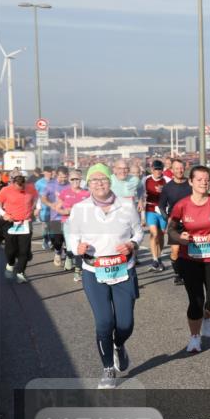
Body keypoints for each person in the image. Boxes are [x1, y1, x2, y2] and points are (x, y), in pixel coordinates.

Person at [65, 163, 143, 388]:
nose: (99, 183)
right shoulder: (80, 208)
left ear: (111, 181)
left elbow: (138, 232)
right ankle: (108, 368)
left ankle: (119, 345)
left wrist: (132, 243)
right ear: (88, 184)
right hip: (93, 270)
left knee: (125, 324)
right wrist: (76, 247)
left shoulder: (127, 207)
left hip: (123, 270)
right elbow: (72, 234)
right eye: (94, 180)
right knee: (103, 322)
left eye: (103, 179)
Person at [167, 166, 210, 353]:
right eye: (199, 179)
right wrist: (180, 239)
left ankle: (207, 316)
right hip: (189, 258)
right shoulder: (182, 205)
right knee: (195, 301)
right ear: (191, 182)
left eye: (206, 179)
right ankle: (195, 337)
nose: (204, 182)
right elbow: (170, 229)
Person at [0, 174, 39, 283]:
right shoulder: (6, 190)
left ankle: (20, 273)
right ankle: (10, 264)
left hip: (25, 223)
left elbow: (38, 198)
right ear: (14, 184)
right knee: (11, 250)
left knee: (24, 250)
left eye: (23, 187)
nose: (21, 190)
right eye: (19, 188)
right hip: (10, 223)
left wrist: (38, 208)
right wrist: (4, 214)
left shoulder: (30, 188)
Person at [157, 159, 191, 286]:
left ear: (185, 168)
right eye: (176, 168)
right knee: (176, 250)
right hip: (175, 223)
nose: (179, 170)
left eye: (181, 168)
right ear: (172, 170)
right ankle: (178, 274)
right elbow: (161, 206)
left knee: (189, 250)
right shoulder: (167, 187)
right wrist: (168, 220)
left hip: (190, 221)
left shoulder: (191, 184)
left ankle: (190, 271)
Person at [58, 169, 91, 281]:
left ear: (80, 179)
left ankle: (78, 271)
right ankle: (68, 255)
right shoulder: (65, 193)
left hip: (83, 223)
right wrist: (65, 212)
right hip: (68, 222)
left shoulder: (86, 193)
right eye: (73, 179)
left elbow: (92, 209)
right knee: (71, 248)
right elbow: (58, 208)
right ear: (69, 180)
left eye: (77, 179)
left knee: (79, 247)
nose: (75, 181)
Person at [42, 166, 71, 268]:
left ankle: (69, 259)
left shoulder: (70, 185)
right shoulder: (50, 185)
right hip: (55, 217)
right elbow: (43, 198)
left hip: (68, 217)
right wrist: (51, 205)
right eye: (61, 177)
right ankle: (58, 252)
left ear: (68, 176)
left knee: (68, 240)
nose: (63, 179)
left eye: (65, 177)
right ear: (57, 175)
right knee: (57, 240)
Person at [35, 167, 54, 250]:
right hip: (44, 209)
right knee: (46, 226)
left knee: (53, 226)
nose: (51, 173)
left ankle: (51, 240)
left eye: (51, 171)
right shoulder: (39, 183)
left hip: (54, 208)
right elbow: (36, 196)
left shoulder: (55, 181)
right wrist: (37, 208)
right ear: (44, 172)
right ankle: (46, 240)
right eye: (49, 172)